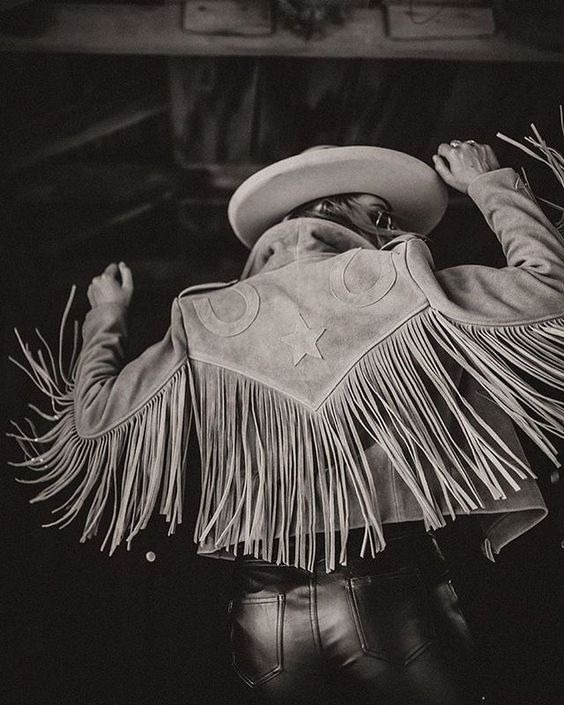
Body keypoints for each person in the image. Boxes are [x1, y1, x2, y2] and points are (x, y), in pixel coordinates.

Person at [11, 141, 564, 705]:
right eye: (384, 217)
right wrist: (490, 182)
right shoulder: (404, 277)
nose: (391, 230)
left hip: (263, 615)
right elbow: (550, 287)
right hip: (393, 595)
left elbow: (93, 419)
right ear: (362, 214)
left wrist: (105, 317)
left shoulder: (201, 317)